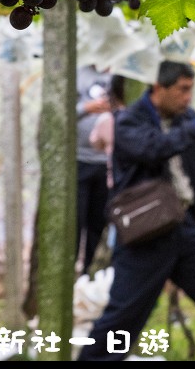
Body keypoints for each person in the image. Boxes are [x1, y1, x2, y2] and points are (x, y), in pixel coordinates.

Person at [79, 61, 195, 361]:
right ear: (159, 88)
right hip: (145, 234)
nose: (188, 97)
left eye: (191, 90)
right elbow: (154, 148)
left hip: (186, 230)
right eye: (182, 90)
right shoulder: (130, 121)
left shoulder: (188, 118)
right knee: (123, 318)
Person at [75, 64, 113, 276]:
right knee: (74, 224)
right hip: (78, 160)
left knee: (98, 227)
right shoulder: (79, 72)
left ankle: (89, 279)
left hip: (107, 164)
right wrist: (86, 108)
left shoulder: (123, 72)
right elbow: (61, 110)